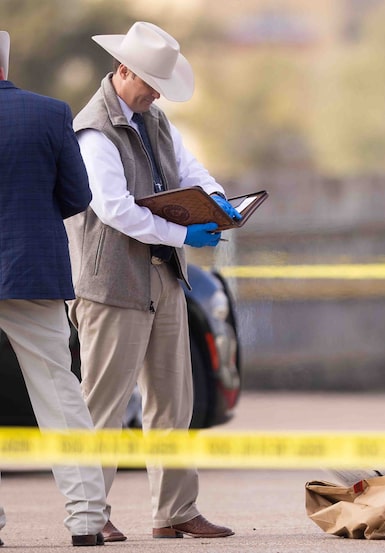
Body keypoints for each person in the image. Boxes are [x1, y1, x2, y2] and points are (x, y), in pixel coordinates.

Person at [65, 21, 241, 542]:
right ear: (123, 71)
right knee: (104, 404)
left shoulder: (155, 120)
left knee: (173, 401)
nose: (157, 92)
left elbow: (191, 171)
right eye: (151, 82)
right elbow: (114, 209)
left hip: (161, 278)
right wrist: (186, 234)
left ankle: (176, 511)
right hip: (112, 284)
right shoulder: (93, 130)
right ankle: (91, 515)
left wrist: (218, 200)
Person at [0, 30, 109, 548]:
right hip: (30, 270)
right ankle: (87, 520)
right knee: (60, 396)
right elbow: (76, 196)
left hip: (27, 267)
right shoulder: (49, 113)